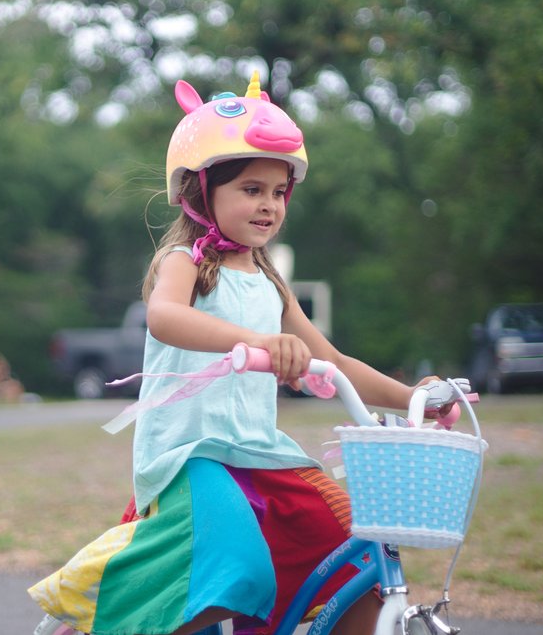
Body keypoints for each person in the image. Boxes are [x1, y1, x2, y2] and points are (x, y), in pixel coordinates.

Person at [29, 73, 433, 635]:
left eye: (277, 192)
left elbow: (334, 363)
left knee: (353, 557)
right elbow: (165, 317)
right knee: (235, 568)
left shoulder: (272, 285)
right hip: (193, 456)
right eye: (251, 189)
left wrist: (416, 397)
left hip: (262, 454)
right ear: (202, 192)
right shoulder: (185, 262)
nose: (268, 205)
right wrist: (259, 343)